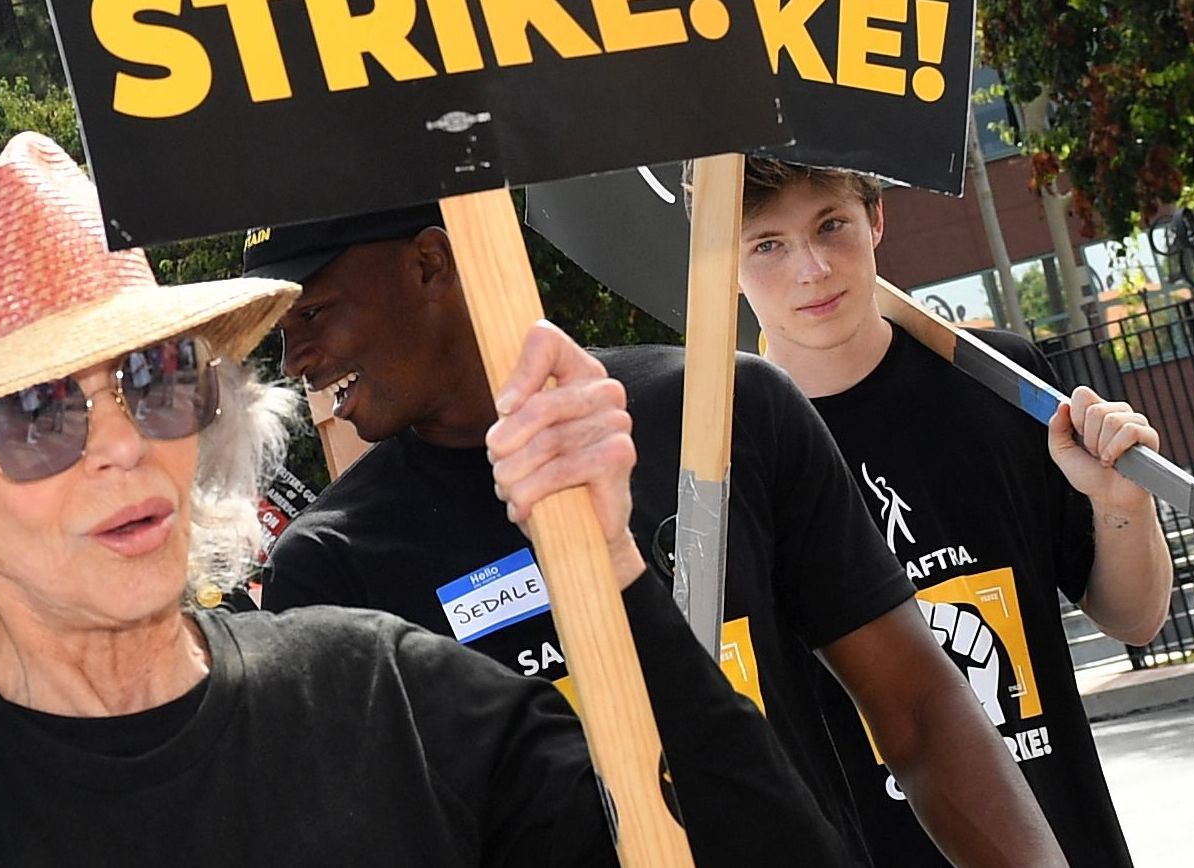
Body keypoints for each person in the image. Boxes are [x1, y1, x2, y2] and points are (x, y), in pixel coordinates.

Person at [0, 132, 842, 865]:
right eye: (38, 413)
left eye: (153, 380)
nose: (122, 446)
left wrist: (611, 569)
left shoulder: (388, 702)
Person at [248, 205, 1065, 866]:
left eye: (310, 312)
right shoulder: (328, 568)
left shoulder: (726, 409)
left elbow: (917, 708)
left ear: (431, 264)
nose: (295, 357)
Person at [735, 157, 1176, 866]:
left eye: (831, 225)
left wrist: (1120, 503)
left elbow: (1135, 617)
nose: (812, 267)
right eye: (767, 245)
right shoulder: (726, 465)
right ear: (723, 263)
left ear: (876, 218)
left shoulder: (1004, 387)